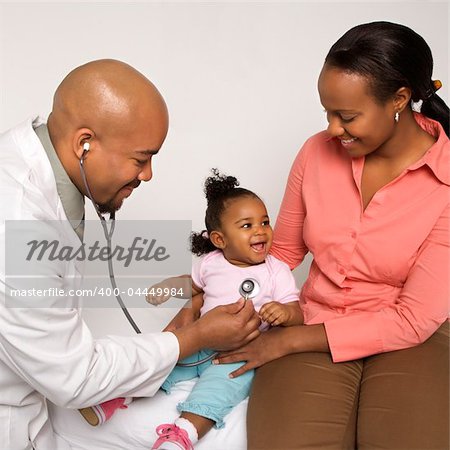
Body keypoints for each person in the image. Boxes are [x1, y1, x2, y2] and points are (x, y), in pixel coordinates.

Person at [0, 59, 261, 450]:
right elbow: (74, 376)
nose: (148, 174)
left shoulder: (36, 166)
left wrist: (173, 341)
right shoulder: (19, 222)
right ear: (83, 143)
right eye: (141, 159)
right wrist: (189, 340)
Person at [213, 21, 450, 449]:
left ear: (399, 99)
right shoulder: (316, 152)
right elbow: (282, 252)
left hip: (417, 336)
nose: (333, 129)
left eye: (347, 116)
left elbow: (413, 320)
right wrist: (207, 286)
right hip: (316, 316)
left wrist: (289, 341)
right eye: (327, 112)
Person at [79, 170, 303, 450]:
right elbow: (193, 285)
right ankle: (117, 398)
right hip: (204, 341)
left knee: (217, 392)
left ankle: (183, 434)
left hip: (238, 353)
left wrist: (284, 312)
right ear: (220, 240)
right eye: (247, 225)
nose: (260, 230)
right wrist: (169, 286)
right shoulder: (211, 263)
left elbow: (297, 312)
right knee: (164, 366)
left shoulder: (275, 271)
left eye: (265, 222)